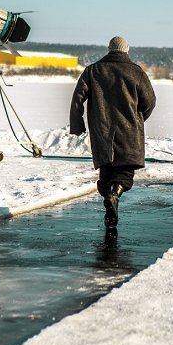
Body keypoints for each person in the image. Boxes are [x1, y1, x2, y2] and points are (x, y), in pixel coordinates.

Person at [70, 36, 156, 228]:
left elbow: (77, 98)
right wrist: (138, 118)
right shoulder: (136, 72)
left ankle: (109, 195)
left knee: (106, 169)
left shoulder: (92, 70)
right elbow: (150, 101)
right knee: (125, 171)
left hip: (102, 130)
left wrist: (77, 124)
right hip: (129, 130)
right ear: (127, 50)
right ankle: (115, 194)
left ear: (109, 49)